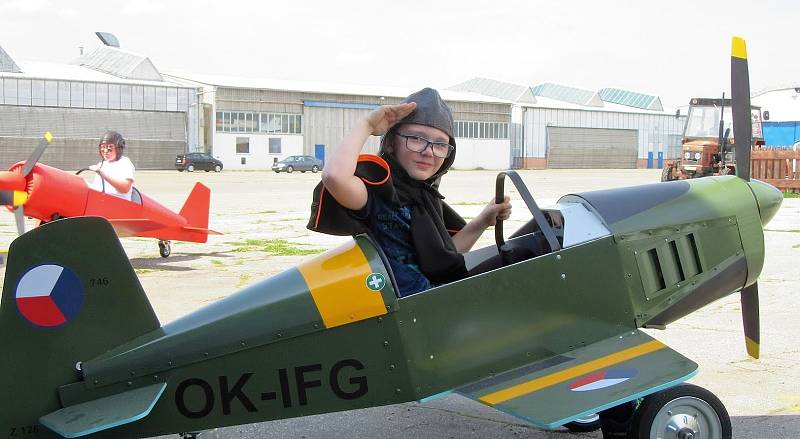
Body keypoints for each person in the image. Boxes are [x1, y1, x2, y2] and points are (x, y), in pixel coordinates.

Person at [308, 88, 511, 296]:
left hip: (438, 299)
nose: (428, 151)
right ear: (391, 142)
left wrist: (484, 220)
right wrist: (367, 125)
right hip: (415, 311)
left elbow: (443, 256)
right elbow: (334, 177)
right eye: (416, 138)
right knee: (526, 253)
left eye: (440, 144)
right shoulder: (377, 194)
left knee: (529, 248)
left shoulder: (427, 198)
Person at [88, 130, 135, 201]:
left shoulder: (124, 162)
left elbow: (125, 188)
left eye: (109, 148)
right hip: (101, 202)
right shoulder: (101, 164)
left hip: (118, 205)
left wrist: (102, 173)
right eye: (103, 148)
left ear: (118, 148)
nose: (105, 151)